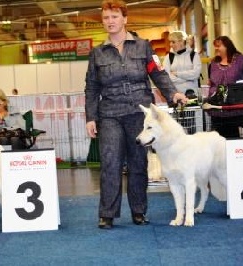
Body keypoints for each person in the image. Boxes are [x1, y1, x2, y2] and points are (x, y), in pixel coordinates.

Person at [85, 0, 187, 229]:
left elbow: (158, 74)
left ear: (125, 19)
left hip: (139, 114)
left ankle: (139, 211)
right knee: (110, 162)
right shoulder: (97, 53)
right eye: (106, 18)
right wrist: (91, 117)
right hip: (110, 114)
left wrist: (174, 94)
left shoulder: (143, 47)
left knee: (138, 163)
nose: (109, 21)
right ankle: (107, 214)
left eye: (114, 17)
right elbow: (91, 87)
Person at [207, 36, 243, 138]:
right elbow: (211, 82)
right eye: (215, 47)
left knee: (238, 141)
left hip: (239, 110)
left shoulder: (242, 60)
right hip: (218, 111)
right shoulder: (212, 64)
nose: (216, 48)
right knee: (220, 141)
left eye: (219, 46)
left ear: (228, 46)